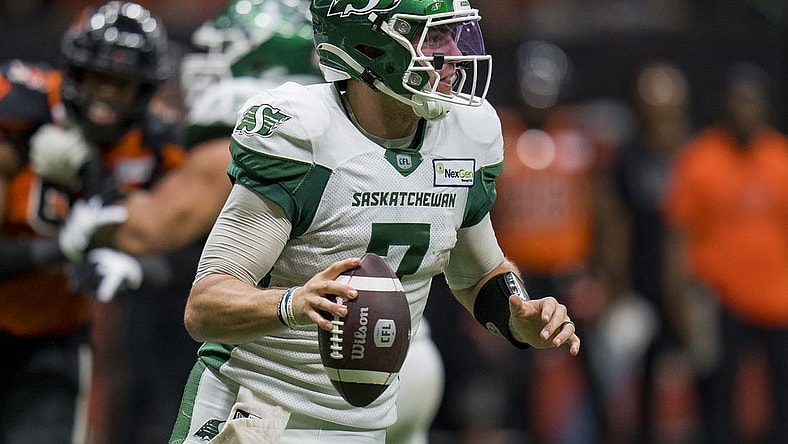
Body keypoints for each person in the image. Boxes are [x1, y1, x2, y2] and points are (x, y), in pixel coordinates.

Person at [166, 1, 580, 443]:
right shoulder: (305, 133)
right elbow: (205, 307)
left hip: (364, 427)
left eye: (455, 33)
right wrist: (293, 304)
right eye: (433, 36)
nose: (455, 52)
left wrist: (522, 315)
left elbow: (480, 274)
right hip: (255, 414)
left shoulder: (466, 133)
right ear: (370, 44)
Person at [35, 1, 445, 442]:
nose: (207, 64)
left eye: (225, 48)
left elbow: (145, 230)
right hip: (400, 352)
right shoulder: (376, 126)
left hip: (310, 369)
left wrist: (88, 173)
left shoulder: (280, 132)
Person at [0, 2, 184, 442]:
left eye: (123, 84)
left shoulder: (157, 145)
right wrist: (59, 249)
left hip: (52, 339)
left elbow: (203, 253)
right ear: (73, 72)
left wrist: (137, 266)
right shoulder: (19, 114)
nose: (107, 97)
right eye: (99, 78)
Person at [663, 61, 788, 444]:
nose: (745, 110)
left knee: (782, 399)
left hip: (778, 300)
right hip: (720, 299)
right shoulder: (699, 159)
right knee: (720, 402)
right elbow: (678, 238)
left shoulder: (781, 157)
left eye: (752, 102)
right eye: (738, 102)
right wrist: (680, 301)